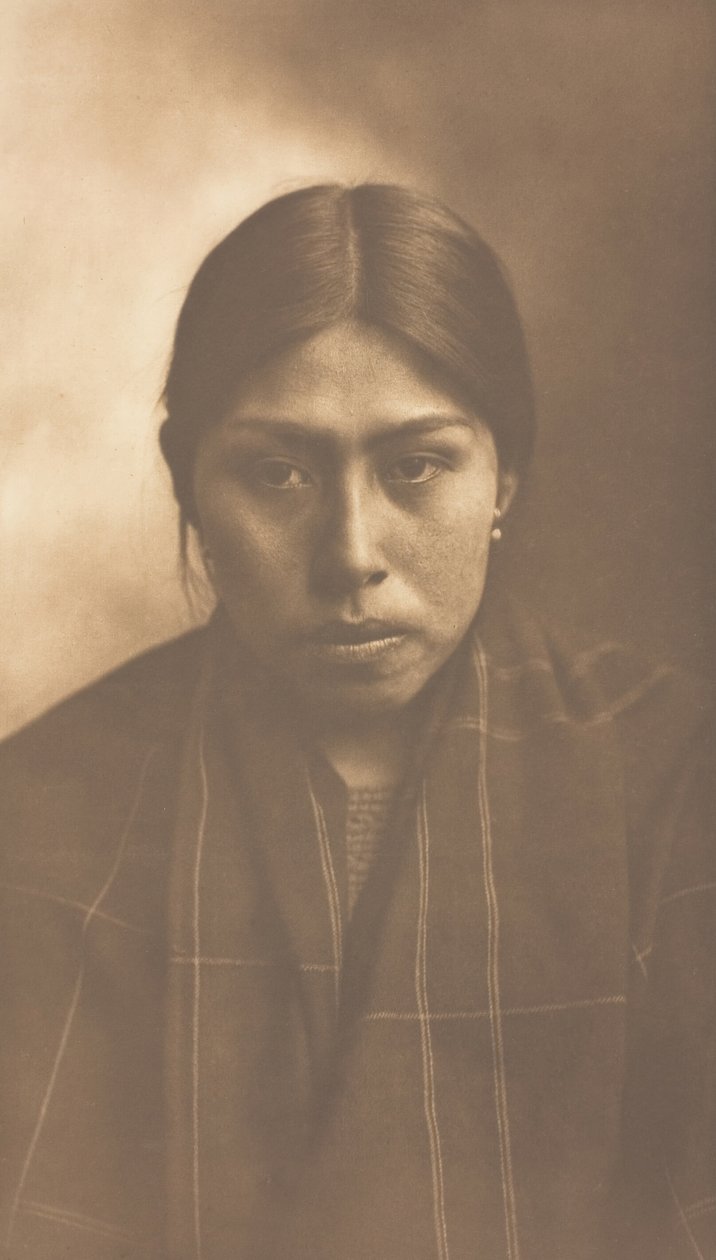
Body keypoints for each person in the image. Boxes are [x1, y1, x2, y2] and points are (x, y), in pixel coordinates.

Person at [1, 183, 713, 1260]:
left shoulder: (674, 775)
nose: (349, 553)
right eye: (276, 472)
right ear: (185, 482)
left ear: (503, 475)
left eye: (414, 467)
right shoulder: (42, 817)